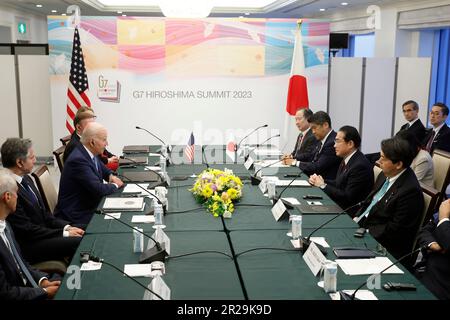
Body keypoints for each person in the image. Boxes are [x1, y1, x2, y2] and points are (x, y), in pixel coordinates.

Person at [0, 138, 84, 264]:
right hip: (31, 244)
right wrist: (63, 233)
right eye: (32, 157)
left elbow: (44, 214)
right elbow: (27, 229)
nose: (35, 160)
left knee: (85, 229)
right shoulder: (10, 190)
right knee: (79, 241)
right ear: (19, 162)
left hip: (43, 233)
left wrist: (66, 227)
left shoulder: (26, 179)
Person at [354, 136, 424, 262]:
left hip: (385, 249)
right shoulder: (385, 174)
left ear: (398, 164)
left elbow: (395, 230)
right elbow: (369, 202)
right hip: (363, 228)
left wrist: (365, 231)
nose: (378, 161)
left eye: (383, 158)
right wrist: (355, 218)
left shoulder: (410, 192)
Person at [0, 169, 61, 300]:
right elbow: (6, 293)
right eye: (16, 192)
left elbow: (20, 263)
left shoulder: (5, 225)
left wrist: (43, 281)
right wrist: (44, 292)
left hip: (30, 286)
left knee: (69, 281)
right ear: (7, 197)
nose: (18, 196)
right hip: (20, 293)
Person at [54, 122, 124, 225]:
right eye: (104, 140)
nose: (107, 143)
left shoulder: (88, 151)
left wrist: (110, 176)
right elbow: (98, 189)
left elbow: (101, 167)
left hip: (88, 204)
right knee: (117, 222)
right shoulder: (78, 160)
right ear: (92, 142)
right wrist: (115, 185)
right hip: (78, 214)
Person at [309, 126, 373, 215]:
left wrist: (323, 186)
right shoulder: (347, 158)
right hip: (339, 206)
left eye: (338, 141)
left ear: (350, 144)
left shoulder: (359, 166)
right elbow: (339, 183)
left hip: (348, 213)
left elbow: (347, 198)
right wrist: (320, 181)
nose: (334, 145)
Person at [283, 111, 340, 180]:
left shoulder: (332, 142)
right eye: (311, 129)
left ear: (325, 125)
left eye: (314, 128)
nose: (313, 132)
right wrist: (293, 158)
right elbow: (310, 156)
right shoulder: (322, 139)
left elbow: (318, 166)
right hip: (316, 179)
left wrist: (295, 162)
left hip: (326, 182)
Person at [417, 199, 450, 300]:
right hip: (425, 270)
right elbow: (425, 230)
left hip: (443, 284)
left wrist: (443, 218)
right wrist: (433, 244)